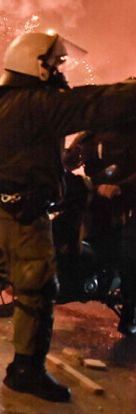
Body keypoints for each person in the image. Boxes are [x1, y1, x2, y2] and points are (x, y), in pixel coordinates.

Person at [0, 32, 136, 403]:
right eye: (56, 63)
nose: (61, 69)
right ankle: (26, 372)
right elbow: (92, 104)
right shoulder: (35, 104)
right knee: (38, 288)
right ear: (36, 64)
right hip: (22, 211)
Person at [63, 125, 136, 336]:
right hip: (98, 196)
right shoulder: (90, 136)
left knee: (128, 248)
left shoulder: (130, 135)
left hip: (127, 197)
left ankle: (131, 309)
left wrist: (120, 186)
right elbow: (68, 162)